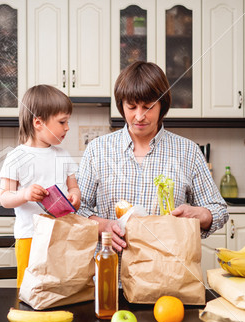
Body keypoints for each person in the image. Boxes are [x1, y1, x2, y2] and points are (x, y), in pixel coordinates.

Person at [77, 61, 228, 269]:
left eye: (148, 107)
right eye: (131, 107)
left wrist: (199, 214)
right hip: (112, 279)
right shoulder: (97, 150)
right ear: (121, 105)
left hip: (168, 276)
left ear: (162, 105)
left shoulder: (188, 151)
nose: (139, 116)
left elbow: (219, 210)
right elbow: (77, 209)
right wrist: (102, 225)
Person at [0, 85, 81, 288]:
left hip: (61, 236)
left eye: (67, 121)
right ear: (38, 122)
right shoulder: (16, 157)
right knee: (29, 288)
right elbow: (4, 198)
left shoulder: (63, 155)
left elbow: (74, 188)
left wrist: (74, 196)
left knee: (59, 286)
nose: (67, 127)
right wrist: (25, 194)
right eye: (62, 122)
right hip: (29, 237)